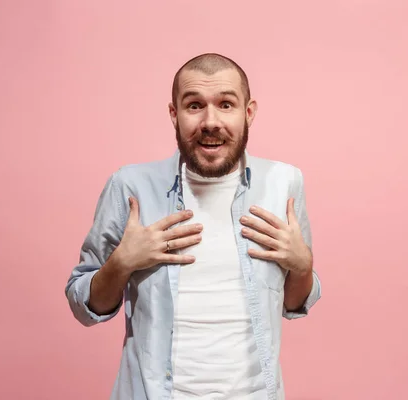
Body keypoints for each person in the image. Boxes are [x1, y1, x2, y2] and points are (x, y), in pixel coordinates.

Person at [65, 53, 322, 400]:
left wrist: (302, 265)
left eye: (226, 104)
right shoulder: (131, 187)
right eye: (194, 105)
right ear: (174, 114)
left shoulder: (284, 183)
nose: (210, 121)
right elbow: (84, 306)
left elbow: (293, 304)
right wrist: (121, 263)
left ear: (249, 113)